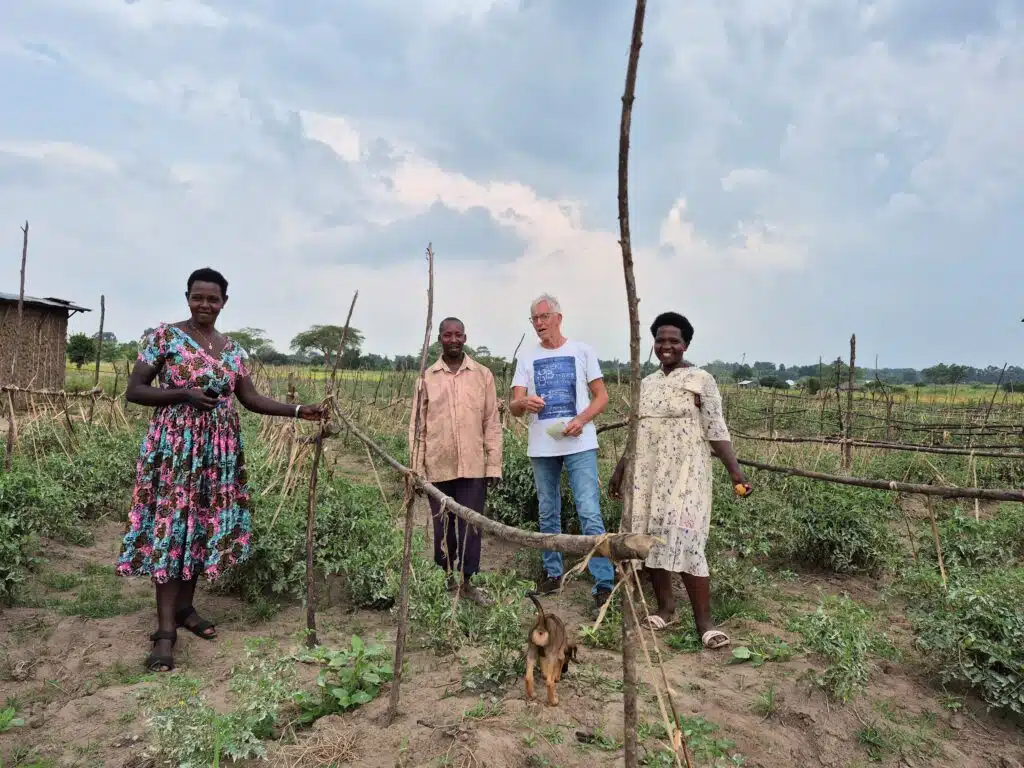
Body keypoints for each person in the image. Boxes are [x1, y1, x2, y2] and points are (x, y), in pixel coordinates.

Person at [117, 267, 324, 672]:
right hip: (175, 451)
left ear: (224, 302)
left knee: (200, 527)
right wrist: (183, 395)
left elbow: (250, 398)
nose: (205, 305)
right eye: (198, 297)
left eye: (213, 299)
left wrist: (299, 411)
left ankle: (185, 608)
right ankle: (164, 634)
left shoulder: (233, 349)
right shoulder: (164, 336)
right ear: (187, 297)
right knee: (170, 528)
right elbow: (135, 391)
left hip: (217, 454)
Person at [609, 311, 751, 649]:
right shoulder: (647, 383)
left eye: (674, 340)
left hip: (687, 473)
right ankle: (667, 608)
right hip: (648, 473)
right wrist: (620, 470)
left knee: (687, 538)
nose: (666, 346)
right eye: (660, 340)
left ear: (685, 344)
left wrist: (736, 473)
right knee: (652, 537)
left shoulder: (702, 381)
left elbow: (716, 429)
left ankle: (705, 624)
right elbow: (636, 432)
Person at [510, 293, 615, 618]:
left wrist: (581, 420)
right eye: (534, 319)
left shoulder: (582, 351)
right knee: (548, 511)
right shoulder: (527, 358)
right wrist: (524, 403)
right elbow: (514, 406)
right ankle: (553, 574)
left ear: (558, 317)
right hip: (543, 445)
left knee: (589, 511)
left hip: (579, 444)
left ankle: (603, 582)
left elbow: (602, 397)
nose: (539, 324)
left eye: (544, 317)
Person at [409, 317, 502, 606]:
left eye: (458, 335)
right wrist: (416, 468)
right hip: (438, 465)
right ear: (440, 339)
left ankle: (468, 581)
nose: (453, 340)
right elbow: (417, 428)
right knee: (443, 526)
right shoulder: (427, 378)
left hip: (473, 466)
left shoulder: (482, 375)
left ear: (465, 337)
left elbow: (492, 422)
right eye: (447, 335)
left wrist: (494, 465)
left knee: (471, 526)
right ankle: (446, 578)